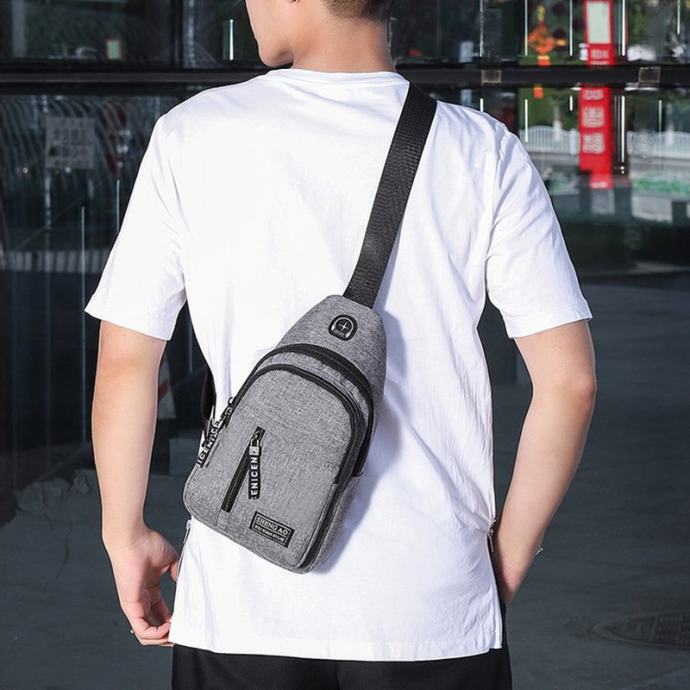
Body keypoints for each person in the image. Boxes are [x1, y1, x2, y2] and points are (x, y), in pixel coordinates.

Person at [84, 0, 597, 688]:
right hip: (428, 603)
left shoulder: (193, 135)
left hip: (244, 597)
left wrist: (124, 534)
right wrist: (502, 561)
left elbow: (125, 363)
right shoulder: (482, 151)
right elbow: (569, 384)